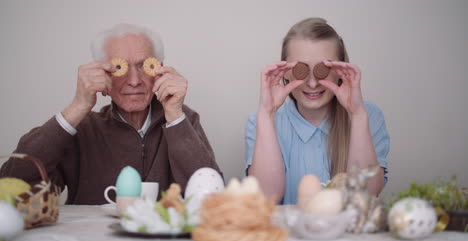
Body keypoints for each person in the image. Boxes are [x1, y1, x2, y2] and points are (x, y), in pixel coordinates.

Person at [0, 23, 221, 205]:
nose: (134, 81)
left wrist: (175, 116)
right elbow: (12, 186)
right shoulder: (82, 128)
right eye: (119, 68)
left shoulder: (183, 120)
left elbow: (213, 198)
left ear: (159, 71)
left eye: (144, 66)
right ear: (101, 73)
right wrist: (77, 106)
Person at [244, 18, 390, 204]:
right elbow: (265, 199)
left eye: (324, 69)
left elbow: (367, 194)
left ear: (340, 70)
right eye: (301, 69)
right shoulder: (260, 121)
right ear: (285, 72)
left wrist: (357, 115)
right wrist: (266, 114)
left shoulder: (368, 116)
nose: (312, 84)